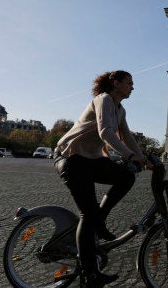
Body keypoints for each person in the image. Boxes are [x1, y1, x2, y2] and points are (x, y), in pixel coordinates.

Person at [53, 70, 147, 287]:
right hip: (71, 158)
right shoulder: (103, 99)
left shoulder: (120, 109)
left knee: (126, 176)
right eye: (129, 83)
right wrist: (131, 156)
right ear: (116, 83)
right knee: (88, 213)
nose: (132, 87)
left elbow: (127, 135)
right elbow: (106, 132)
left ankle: (99, 220)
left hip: (91, 159)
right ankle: (89, 273)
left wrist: (143, 158)